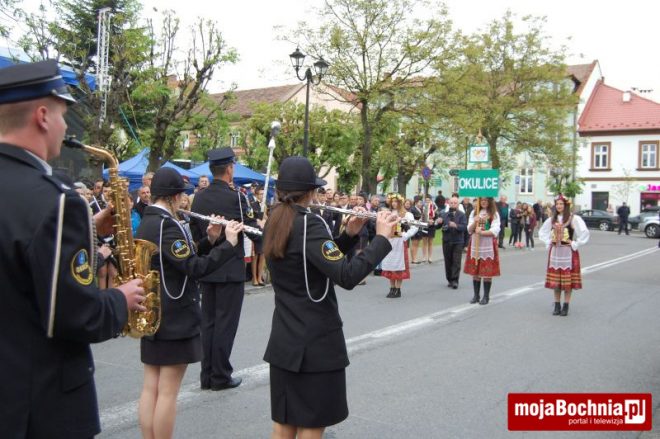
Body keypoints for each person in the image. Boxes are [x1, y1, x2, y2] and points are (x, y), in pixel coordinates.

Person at [0, 59, 146, 438]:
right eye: (64, 115)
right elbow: (76, 317)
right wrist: (120, 299)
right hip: (39, 408)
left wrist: (87, 231)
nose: (66, 127)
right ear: (42, 116)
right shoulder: (56, 200)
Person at [262, 156, 397, 439]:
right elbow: (347, 275)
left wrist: (349, 234)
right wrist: (382, 239)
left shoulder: (275, 220)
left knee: (284, 424)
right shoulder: (310, 224)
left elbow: (314, 260)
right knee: (312, 425)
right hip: (315, 344)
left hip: (286, 340)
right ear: (310, 192)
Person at [136, 167, 243, 439]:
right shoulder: (167, 225)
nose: (184, 201)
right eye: (182, 196)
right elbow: (194, 267)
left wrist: (210, 239)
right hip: (174, 314)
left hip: (155, 311)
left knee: (151, 387)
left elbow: (182, 256)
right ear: (173, 197)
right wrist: (229, 244)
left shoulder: (149, 221)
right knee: (168, 392)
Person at [190, 147, 263, 391]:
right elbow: (251, 228)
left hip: (207, 265)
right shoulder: (237, 198)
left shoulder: (199, 198)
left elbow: (196, 232)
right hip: (230, 268)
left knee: (208, 323)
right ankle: (220, 375)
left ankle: (207, 375)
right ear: (230, 169)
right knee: (225, 325)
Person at [539, 194, 590, 316]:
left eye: (561, 204)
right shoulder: (552, 219)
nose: (559, 206)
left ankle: (566, 305)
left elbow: (584, 232)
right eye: (557, 204)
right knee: (556, 281)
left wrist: (575, 243)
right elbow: (543, 232)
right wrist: (548, 242)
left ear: (566, 205)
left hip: (568, 252)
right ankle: (557, 305)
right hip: (556, 253)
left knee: (568, 282)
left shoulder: (573, 218)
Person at [464, 197, 501, 305]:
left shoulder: (494, 214)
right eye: (482, 200)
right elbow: (469, 229)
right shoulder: (474, 212)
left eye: (486, 200)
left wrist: (482, 233)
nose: (484, 202)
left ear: (490, 201)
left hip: (487, 244)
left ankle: (486, 296)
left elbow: (495, 230)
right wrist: (474, 222)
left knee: (487, 271)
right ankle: (476, 295)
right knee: (475, 270)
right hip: (475, 244)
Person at [380, 194, 419, 298]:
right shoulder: (388, 213)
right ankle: (392, 288)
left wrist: (405, 235)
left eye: (396, 201)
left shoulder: (406, 214)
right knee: (390, 265)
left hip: (399, 242)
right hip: (389, 241)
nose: (394, 203)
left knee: (398, 265)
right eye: (392, 201)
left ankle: (398, 289)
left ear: (400, 203)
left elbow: (415, 227)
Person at [437, 196, 467, 289]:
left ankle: (455, 280)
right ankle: (449, 279)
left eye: (455, 203)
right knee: (448, 261)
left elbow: (464, 227)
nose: (453, 204)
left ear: (458, 204)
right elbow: (437, 227)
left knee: (456, 261)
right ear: (448, 204)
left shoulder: (462, 215)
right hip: (447, 240)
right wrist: (437, 222)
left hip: (458, 241)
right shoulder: (444, 214)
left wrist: (456, 225)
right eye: (451, 203)